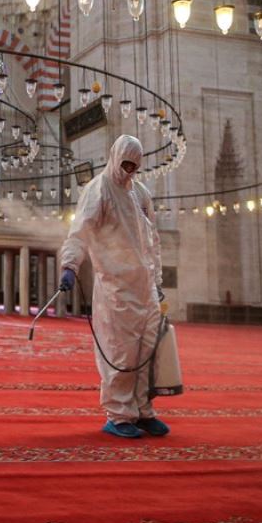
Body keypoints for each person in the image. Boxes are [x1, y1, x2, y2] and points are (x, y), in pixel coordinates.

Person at [59, 134, 169, 440]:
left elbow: (152, 242)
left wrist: (157, 282)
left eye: (135, 165)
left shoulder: (141, 193)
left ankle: (143, 411)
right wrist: (70, 265)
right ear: (114, 157)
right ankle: (120, 415)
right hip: (116, 288)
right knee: (122, 354)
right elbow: (80, 232)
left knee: (149, 351)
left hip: (145, 288)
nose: (129, 169)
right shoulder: (99, 189)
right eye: (125, 163)